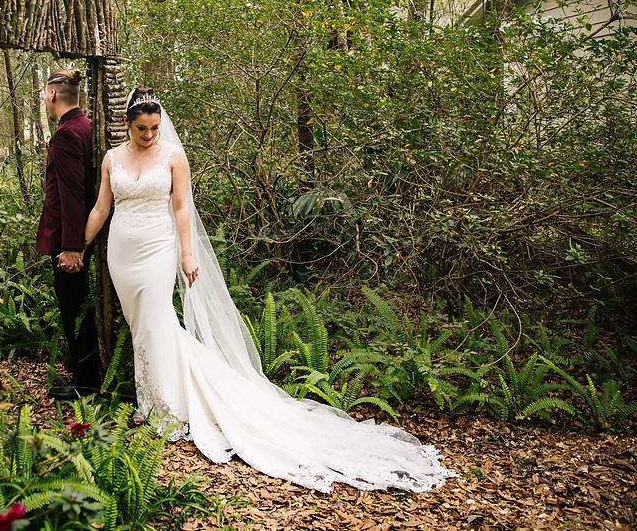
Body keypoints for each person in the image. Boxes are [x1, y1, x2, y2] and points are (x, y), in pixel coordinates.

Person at [81, 86, 457, 492]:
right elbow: (103, 207)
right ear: (127, 124)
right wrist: (79, 245)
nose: (150, 135)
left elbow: (180, 207)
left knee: (157, 321)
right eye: (142, 129)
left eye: (155, 128)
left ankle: (163, 409)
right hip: (121, 251)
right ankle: (154, 398)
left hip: (158, 248)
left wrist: (187, 254)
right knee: (142, 327)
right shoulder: (112, 158)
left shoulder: (173, 156)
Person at [36, 68, 102, 400]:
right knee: (81, 307)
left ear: (52, 95)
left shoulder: (64, 135)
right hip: (90, 232)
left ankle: (86, 382)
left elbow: (73, 193)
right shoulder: (88, 126)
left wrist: (72, 247)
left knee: (73, 308)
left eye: (43, 95)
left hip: (70, 240)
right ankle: (90, 372)